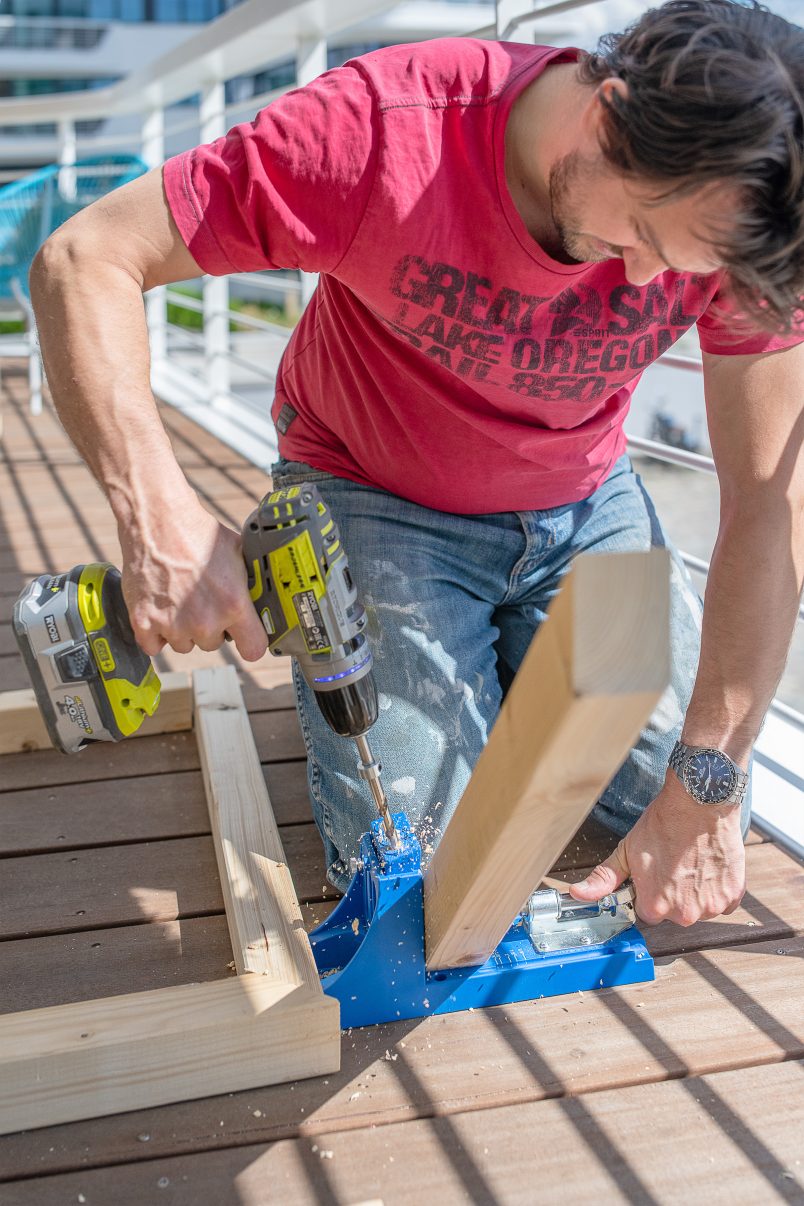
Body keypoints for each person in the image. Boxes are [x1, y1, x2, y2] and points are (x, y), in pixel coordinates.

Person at [30, 0, 804, 929]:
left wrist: (707, 781)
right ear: (607, 113)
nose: (639, 282)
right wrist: (157, 515)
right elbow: (85, 258)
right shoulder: (380, 135)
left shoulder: (729, 219)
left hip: (586, 501)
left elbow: (768, 503)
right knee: (425, 872)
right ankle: (460, 669)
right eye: (639, 230)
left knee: (663, 804)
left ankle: (492, 668)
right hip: (378, 494)